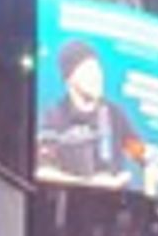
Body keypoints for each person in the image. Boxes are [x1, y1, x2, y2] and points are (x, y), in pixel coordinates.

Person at [35, 39, 142, 187]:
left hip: (114, 206)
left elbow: (140, 152)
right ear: (70, 78)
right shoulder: (54, 117)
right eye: (88, 71)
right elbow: (43, 172)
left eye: (98, 70)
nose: (97, 77)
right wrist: (88, 184)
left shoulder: (114, 113)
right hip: (72, 204)